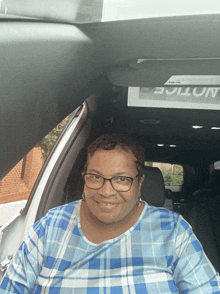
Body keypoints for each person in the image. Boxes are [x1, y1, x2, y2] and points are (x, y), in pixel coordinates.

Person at [0, 134, 220, 293]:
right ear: (84, 178)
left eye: (122, 179)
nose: (106, 191)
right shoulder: (51, 225)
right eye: (95, 177)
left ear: (140, 182)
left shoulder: (172, 230)